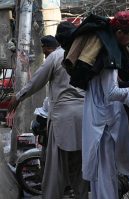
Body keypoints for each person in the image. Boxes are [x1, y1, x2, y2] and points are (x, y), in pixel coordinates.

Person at [62, 11, 129, 198]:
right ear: (119, 33)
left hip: (100, 118)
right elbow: (112, 93)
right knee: (105, 173)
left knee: (102, 173)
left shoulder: (106, 52)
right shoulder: (107, 59)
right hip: (103, 125)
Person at [9, 31, 89, 199]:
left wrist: (18, 97)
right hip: (85, 119)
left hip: (62, 121)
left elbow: (36, 81)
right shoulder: (86, 52)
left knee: (55, 171)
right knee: (80, 168)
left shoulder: (57, 56)